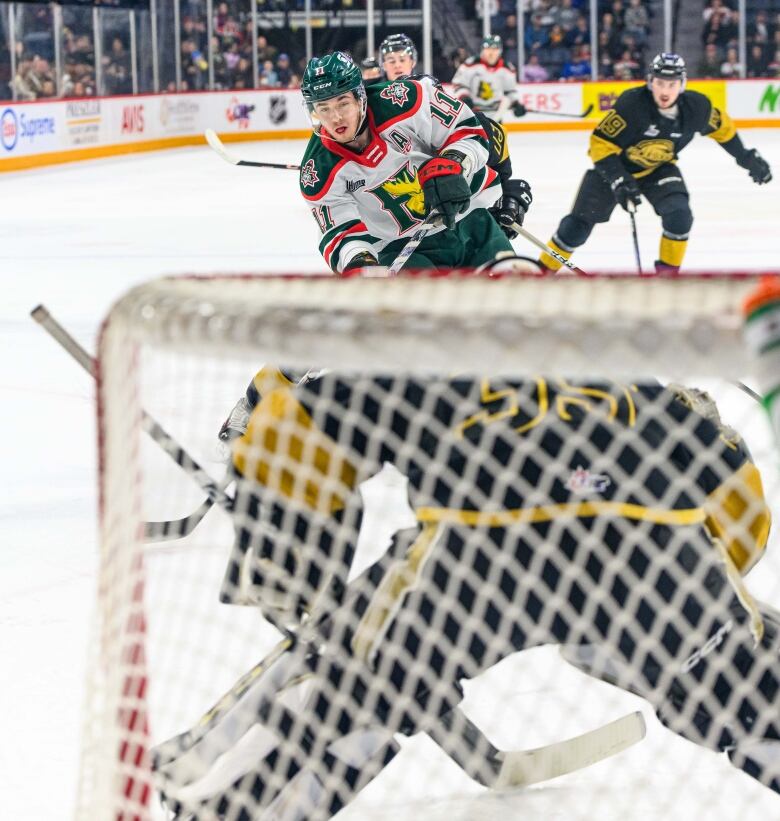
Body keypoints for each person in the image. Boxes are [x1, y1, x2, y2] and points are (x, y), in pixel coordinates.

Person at [153, 364, 780, 819]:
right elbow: (744, 521)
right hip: (651, 564)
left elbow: (282, 426)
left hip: (477, 564)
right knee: (745, 697)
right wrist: (718, 617)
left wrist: (293, 567)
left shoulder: (421, 366)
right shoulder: (655, 399)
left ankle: (224, 800)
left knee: (349, 686)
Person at [538, 53, 772, 274]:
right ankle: (541, 273)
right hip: (613, 169)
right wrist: (619, 179)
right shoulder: (632, 105)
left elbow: (724, 131)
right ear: (650, 82)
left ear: (682, 84)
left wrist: (748, 159)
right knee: (576, 227)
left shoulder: (697, 108)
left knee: (680, 217)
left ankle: (667, 279)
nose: (665, 90)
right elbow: (600, 144)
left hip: (658, 169)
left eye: (672, 84)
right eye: (660, 83)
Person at [297, 51, 524, 274]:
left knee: (511, 297)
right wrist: (359, 258)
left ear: (359, 97)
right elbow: (339, 231)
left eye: (343, 103)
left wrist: (454, 163)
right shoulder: (317, 172)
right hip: (400, 249)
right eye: (323, 109)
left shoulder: (405, 101)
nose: (335, 118)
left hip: (470, 220)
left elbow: (467, 131)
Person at [376, 33, 533, 245]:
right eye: (391, 60)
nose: (397, 65)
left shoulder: (475, 124)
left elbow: (501, 174)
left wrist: (510, 200)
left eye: (402, 59)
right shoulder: (372, 109)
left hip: (478, 127)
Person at [450, 35, 527, 122]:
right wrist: (464, 96)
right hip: (472, 114)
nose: (491, 53)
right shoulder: (470, 64)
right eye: (488, 49)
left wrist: (516, 104)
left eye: (495, 49)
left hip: (495, 115)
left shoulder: (507, 68)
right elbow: (459, 84)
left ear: (500, 51)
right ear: (482, 50)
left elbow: (510, 92)